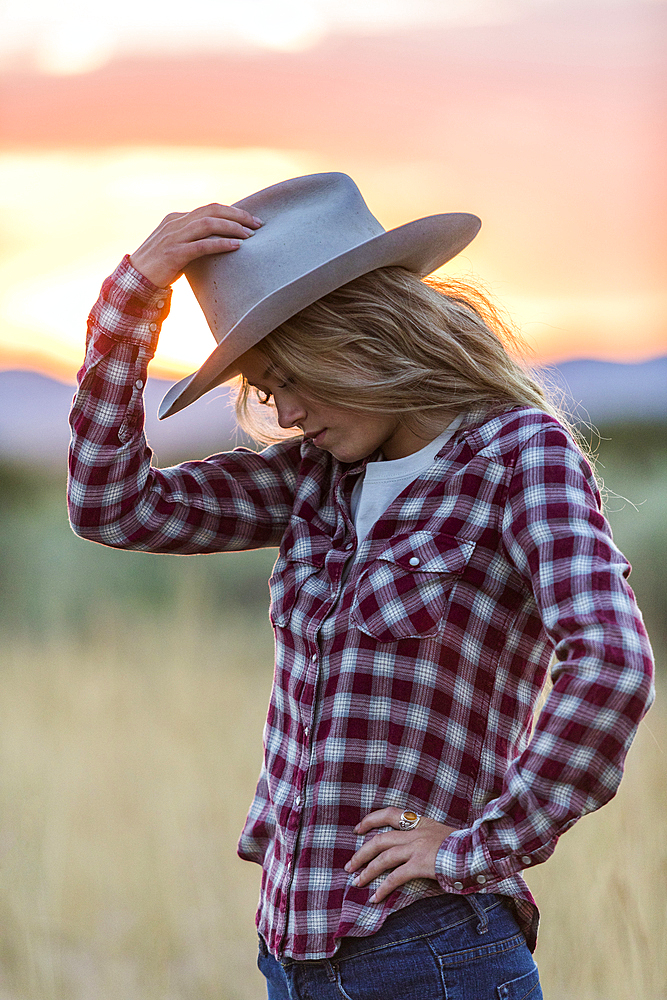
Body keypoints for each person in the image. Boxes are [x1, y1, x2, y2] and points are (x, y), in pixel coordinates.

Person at [68, 173, 654, 1000]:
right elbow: (113, 506)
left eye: (290, 376)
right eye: (267, 391)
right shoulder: (316, 477)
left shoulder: (517, 455)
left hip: (430, 950)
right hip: (292, 953)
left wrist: (478, 846)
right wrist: (132, 301)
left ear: (362, 334)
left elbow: (611, 664)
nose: (288, 412)